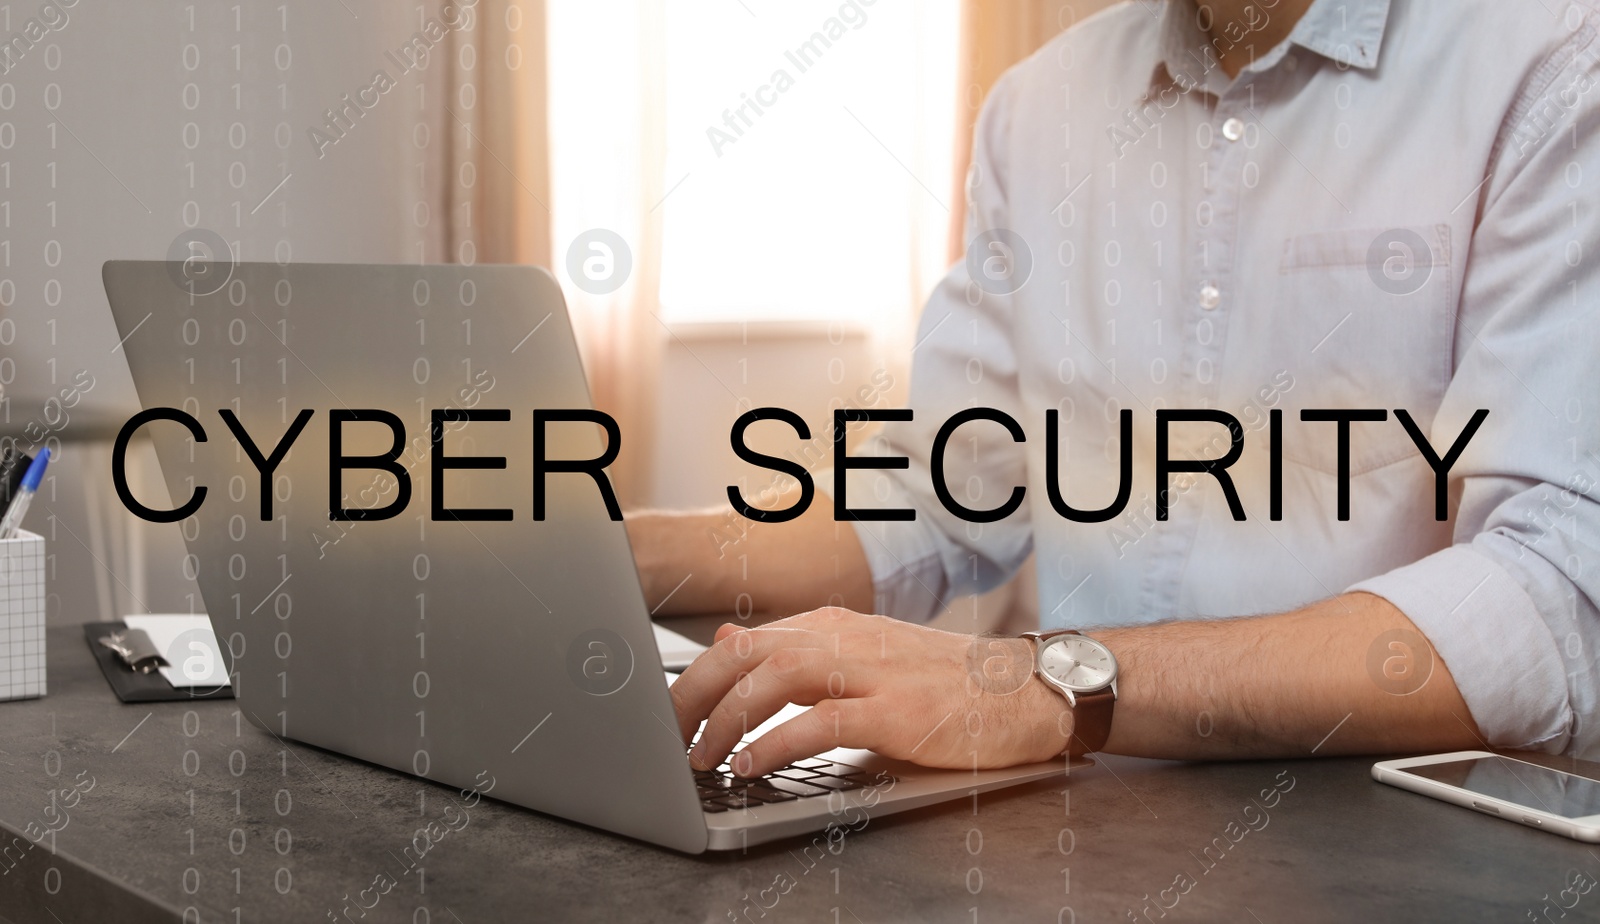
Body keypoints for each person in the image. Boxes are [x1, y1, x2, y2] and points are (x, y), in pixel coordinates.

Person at [629, 0, 1600, 778]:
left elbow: (1555, 595)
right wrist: (617, 550)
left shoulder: (1552, 61)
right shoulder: (1035, 106)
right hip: (1071, 815)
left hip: (1382, 844)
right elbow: (949, 493)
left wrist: (1043, 683)